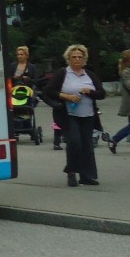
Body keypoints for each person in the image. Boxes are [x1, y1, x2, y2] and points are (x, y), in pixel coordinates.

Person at [42, 44, 105, 187]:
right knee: (75, 143)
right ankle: (71, 172)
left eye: (80, 57)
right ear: (68, 59)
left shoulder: (89, 75)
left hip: (88, 115)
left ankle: (86, 176)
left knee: (87, 145)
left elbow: (102, 94)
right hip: (68, 114)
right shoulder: (62, 73)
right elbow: (48, 91)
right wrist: (66, 96)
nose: (77, 59)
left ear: (84, 59)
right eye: (74, 57)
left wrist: (90, 92)